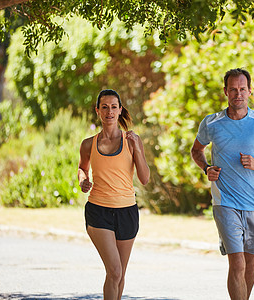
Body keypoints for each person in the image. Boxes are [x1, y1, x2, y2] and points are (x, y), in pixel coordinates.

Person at [191, 68, 254, 300]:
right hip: (225, 203)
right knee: (237, 262)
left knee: (250, 263)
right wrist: (206, 168)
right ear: (225, 92)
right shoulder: (211, 123)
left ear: (250, 91)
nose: (238, 94)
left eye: (242, 89)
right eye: (233, 89)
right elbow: (196, 150)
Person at [78, 89, 150, 300]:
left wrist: (137, 148)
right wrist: (83, 180)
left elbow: (144, 178)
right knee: (115, 271)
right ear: (98, 111)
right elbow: (83, 167)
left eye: (113, 107)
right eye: (104, 107)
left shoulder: (132, 141)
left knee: (119, 275)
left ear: (120, 110)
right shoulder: (88, 144)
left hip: (127, 211)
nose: (109, 111)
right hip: (98, 211)